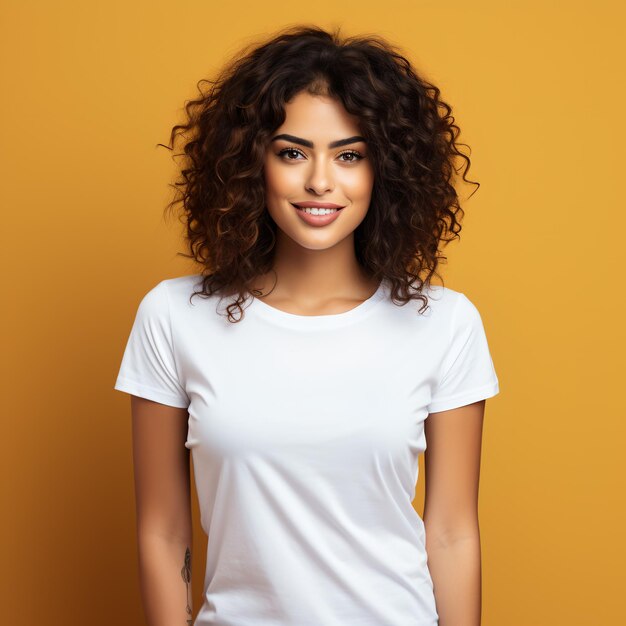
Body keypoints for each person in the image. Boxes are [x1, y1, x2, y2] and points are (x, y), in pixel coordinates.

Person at [114, 24, 500, 626]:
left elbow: (452, 533)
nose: (321, 181)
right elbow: (163, 532)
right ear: (250, 162)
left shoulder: (443, 324)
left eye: (350, 155)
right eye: (292, 152)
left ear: (386, 171)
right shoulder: (173, 317)